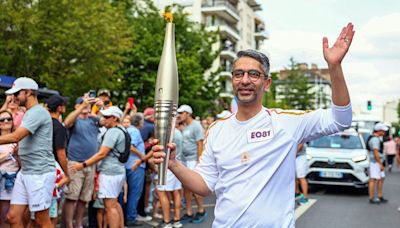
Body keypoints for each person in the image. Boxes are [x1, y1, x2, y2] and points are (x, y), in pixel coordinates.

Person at [153, 23, 354, 227]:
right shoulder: (217, 129)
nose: (245, 80)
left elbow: (340, 119)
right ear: (232, 80)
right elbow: (204, 186)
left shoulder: (285, 122)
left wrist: (334, 67)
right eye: (238, 74)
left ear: (267, 83)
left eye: (253, 74)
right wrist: (173, 164)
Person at [0, 77, 56, 227]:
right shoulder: (31, 112)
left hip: (39, 173)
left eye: (17, 94)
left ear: (29, 92)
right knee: (12, 217)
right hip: (26, 172)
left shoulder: (37, 112)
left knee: (41, 220)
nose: (14, 98)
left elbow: (17, 136)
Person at [70, 106, 127, 228]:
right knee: (115, 204)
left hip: (109, 172)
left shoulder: (113, 132)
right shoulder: (122, 130)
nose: (103, 119)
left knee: (109, 207)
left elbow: (102, 153)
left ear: (115, 118)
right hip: (118, 171)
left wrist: (82, 165)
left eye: (106, 117)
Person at [62, 96, 99, 228]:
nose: (86, 106)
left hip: (90, 163)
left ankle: (78, 224)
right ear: (77, 106)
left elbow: (113, 121)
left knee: (84, 198)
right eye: (83, 104)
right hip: (75, 163)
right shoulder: (75, 119)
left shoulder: (93, 120)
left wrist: (100, 107)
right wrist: (82, 106)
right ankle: (68, 225)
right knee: (72, 197)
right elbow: (66, 123)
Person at [176, 104, 207, 224]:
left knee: (195, 187)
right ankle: (189, 212)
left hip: (193, 160)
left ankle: (201, 210)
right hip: (184, 159)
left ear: (188, 113)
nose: (179, 115)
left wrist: (199, 161)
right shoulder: (184, 126)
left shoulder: (196, 125)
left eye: (181, 113)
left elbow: (200, 144)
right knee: (186, 188)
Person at [0, 110, 20, 228]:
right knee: (3, 217)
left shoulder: (17, 138)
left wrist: (17, 154)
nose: (6, 121)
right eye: (2, 120)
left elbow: (21, 165)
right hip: (2, 178)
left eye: (9, 119)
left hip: (14, 180)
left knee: (10, 217)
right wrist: (8, 155)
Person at [46, 95, 69, 182]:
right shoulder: (59, 127)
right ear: (59, 107)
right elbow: (61, 154)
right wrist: (67, 173)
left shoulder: (44, 124)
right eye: (64, 105)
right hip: (55, 167)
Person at [367, 123, 389, 204]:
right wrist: (380, 164)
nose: (384, 132)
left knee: (381, 178)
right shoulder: (375, 139)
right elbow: (376, 152)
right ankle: (371, 198)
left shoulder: (375, 138)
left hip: (377, 161)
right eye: (383, 131)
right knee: (373, 179)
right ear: (379, 130)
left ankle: (379, 196)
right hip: (375, 162)